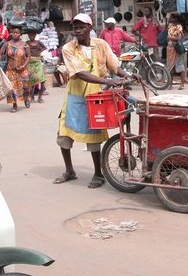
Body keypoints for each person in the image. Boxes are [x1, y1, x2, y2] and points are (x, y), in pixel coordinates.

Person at [53, 13, 140, 189]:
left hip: (96, 96)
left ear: (90, 28)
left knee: (94, 135)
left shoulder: (101, 45)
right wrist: (108, 81)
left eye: (81, 27)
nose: (78, 30)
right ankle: (69, 170)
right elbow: (79, 73)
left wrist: (130, 76)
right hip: (75, 95)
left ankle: (98, 173)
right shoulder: (68, 48)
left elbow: (114, 66)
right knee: (64, 134)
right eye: (75, 27)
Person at [0, 25, 30, 113]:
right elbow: (0, 54)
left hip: (22, 70)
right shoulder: (7, 44)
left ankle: (26, 98)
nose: (15, 34)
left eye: (17, 33)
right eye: (13, 33)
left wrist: (23, 66)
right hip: (11, 70)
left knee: (25, 87)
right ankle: (14, 105)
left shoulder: (25, 44)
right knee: (11, 88)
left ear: (20, 34)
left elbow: (28, 57)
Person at [166, 14, 186, 90]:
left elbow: (179, 38)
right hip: (170, 48)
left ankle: (182, 84)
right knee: (171, 67)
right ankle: (170, 84)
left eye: (171, 18)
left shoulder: (179, 27)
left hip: (176, 48)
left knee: (180, 65)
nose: (169, 19)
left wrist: (170, 37)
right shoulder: (170, 26)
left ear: (175, 19)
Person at [26, 30, 47, 103]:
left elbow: (44, 47)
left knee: (42, 80)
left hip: (38, 62)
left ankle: (40, 97)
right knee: (32, 82)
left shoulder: (38, 42)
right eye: (30, 34)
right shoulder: (26, 43)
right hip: (30, 63)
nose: (32, 36)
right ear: (28, 35)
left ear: (35, 35)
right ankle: (32, 97)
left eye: (33, 34)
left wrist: (39, 52)